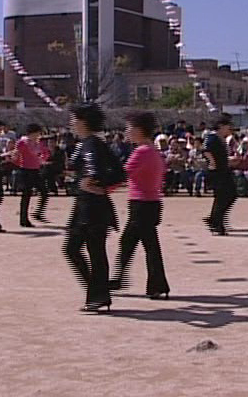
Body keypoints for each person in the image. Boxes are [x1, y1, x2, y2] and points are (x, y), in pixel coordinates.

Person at [63, 103, 123, 312]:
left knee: (88, 251)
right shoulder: (92, 143)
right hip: (87, 205)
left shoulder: (90, 145)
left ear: (83, 121)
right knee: (78, 250)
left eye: (73, 119)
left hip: (91, 207)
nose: (71, 123)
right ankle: (98, 292)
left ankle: (98, 295)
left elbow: (93, 169)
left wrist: (92, 182)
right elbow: (120, 172)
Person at [109, 111, 170, 300]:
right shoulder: (153, 151)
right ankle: (120, 279)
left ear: (139, 130)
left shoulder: (141, 152)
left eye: (129, 128)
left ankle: (157, 285)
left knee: (148, 246)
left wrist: (100, 188)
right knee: (130, 243)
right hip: (149, 203)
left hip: (142, 204)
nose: (127, 132)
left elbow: (122, 175)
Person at [202, 113, 238, 236]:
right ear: (221, 126)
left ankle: (215, 220)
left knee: (228, 195)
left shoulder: (221, 138)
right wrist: (212, 163)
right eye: (228, 126)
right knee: (224, 196)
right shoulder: (211, 137)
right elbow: (206, 150)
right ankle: (216, 222)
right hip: (217, 172)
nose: (230, 129)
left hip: (224, 170)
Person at [14, 123, 50, 227]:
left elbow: (46, 152)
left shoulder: (38, 143)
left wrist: (42, 159)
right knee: (26, 195)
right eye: (37, 133)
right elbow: (16, 155)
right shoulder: (22, 142)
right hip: (25, 170)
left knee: (44, 191)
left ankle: (38, 212)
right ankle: (23, 219)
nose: (38, 135)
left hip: (35, 170)